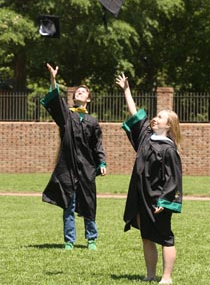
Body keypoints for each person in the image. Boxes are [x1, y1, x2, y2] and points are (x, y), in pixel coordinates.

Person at [116, 73, 182, 284]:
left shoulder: (169, 149)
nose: (156, 118)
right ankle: (150, 274)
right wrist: (126, 90)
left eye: (161, 117)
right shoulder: (146, 136)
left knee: (164, 237)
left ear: (169, 125)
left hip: (157, 198)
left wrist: (165, 200)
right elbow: (135, 114)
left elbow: (174, 178)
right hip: (141, 195)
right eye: (157, 115)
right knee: (146, 236)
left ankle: (167, 276)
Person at [41, 63, 107, 250]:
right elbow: (56, 99)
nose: (79, 93)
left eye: (82, 92)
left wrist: (101, 161)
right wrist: (53, 80)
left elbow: (97, 145)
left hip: (86, 168)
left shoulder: (92, 122)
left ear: (89, 98)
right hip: (68, 167)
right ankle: (69, 240)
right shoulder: (66, 116)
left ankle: (91, 238)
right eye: (76, 91)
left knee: (89, 202)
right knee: (68, 204)